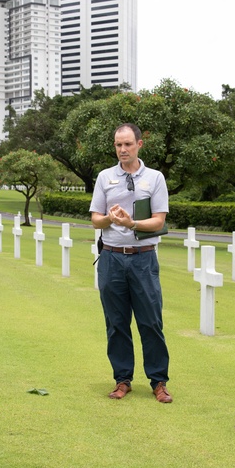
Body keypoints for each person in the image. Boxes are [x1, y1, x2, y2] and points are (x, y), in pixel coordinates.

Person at [90, 123, 172, 403]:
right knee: (116, 322)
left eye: (127, 144)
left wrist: (132, 222)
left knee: (151, 321)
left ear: (139, 144)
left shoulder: (155, 178)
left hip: (143, 258)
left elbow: (159, 220)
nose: (122, 150)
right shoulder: (104, 177)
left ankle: (159, 381)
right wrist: (111, 220)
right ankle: (122, 379)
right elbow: (95, 219)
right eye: (117, 145)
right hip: (112, 257)